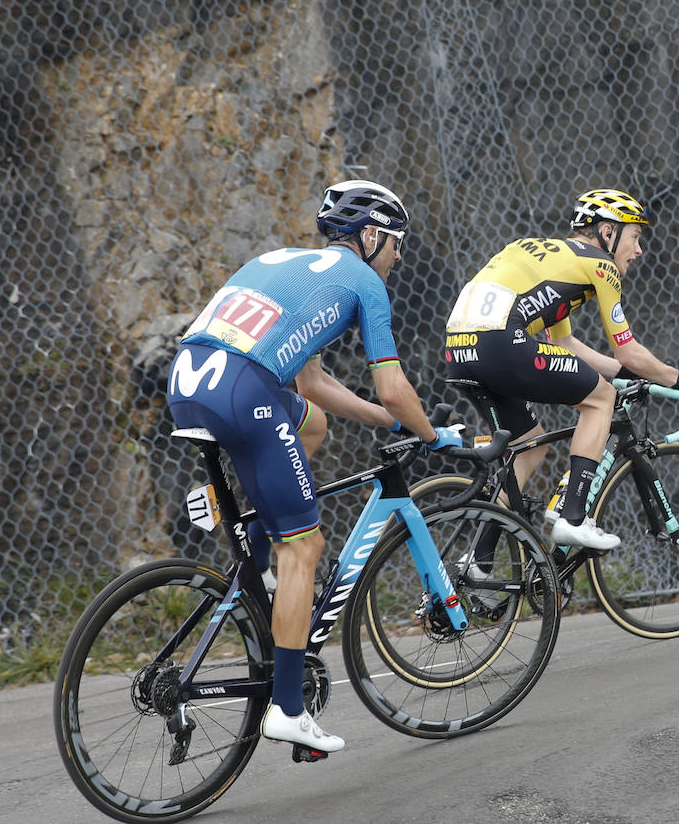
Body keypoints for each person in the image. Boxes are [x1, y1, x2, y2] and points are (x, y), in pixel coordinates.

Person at [165, 180, 462, 753]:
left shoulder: (287, 266)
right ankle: (288, 709)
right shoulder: (363, 283)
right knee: (305, 546)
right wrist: (431, 434)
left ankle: (253, 534)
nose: (398, 257)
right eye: (396, 244)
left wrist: (387, 423)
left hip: (189, 378)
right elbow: (395, 387)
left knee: (312, 424)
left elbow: (314, 385)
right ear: (371, 235)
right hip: (241, 389)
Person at [443, 188, 679, 551]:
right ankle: (573, 518)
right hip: (500, 343)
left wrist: (630, 374)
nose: (639, 250)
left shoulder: (546, 254)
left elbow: (564, 345)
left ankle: (477, 563)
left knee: (528, 448)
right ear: (608, 232)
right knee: (601, 399)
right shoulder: (599, 265)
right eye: (634, 237)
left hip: (460, 350)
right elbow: (628, 350)